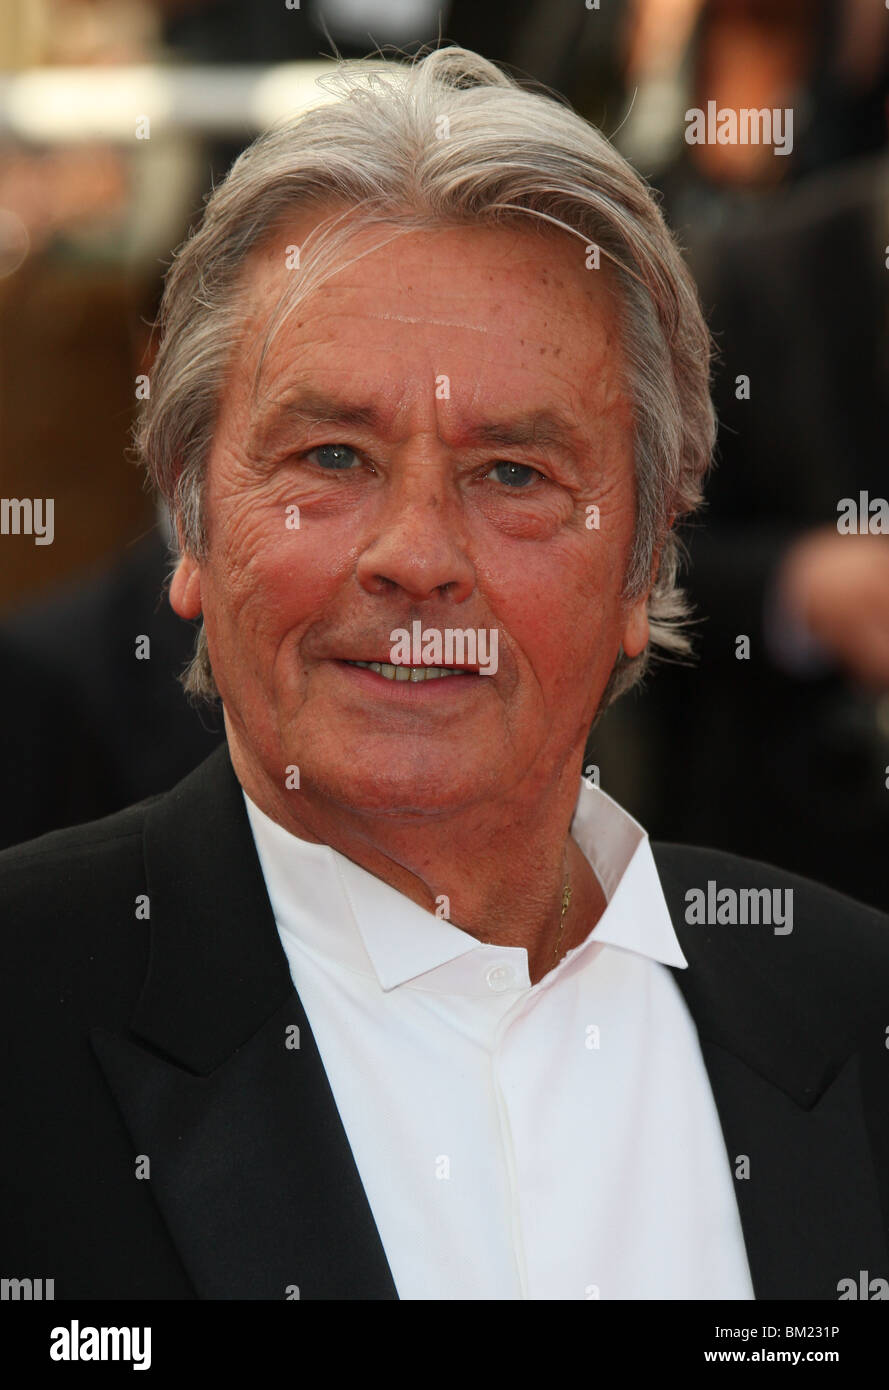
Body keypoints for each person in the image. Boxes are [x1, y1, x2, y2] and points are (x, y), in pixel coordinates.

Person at [1, 46, 887, 1302]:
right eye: (332, 455)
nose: (415, 555)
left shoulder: (855, 1015)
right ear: (192, 524)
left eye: (513, 474)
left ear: (642, 561)